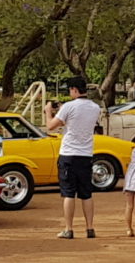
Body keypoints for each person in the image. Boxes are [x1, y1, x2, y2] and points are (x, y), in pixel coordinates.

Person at [46, 76, 103, 239]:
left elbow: (51, 126)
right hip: (86, 154)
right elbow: (78, 122)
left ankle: (68, 228)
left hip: (69, 154)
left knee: (69, 193)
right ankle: (90, 228)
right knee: (86, 193)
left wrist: (48, 112)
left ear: (74, 90)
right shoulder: (95, 108)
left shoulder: (68, 107)